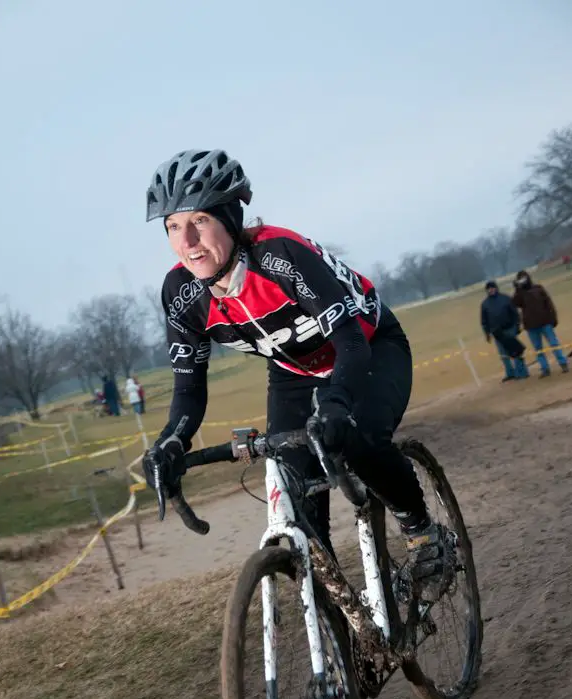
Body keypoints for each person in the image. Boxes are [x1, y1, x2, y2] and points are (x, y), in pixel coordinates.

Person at [142, 148, 452, 587]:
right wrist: (171, 442)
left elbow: (349, 340)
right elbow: (189, 388)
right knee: (294, 487)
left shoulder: (281, 256)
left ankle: (423, 535)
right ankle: (340, 615)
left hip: (368, 346)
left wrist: (336, 404)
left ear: (230, 218)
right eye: (173, 227)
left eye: (199, 222)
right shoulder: (181, 294)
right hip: (292, 373)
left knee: (357, 436)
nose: (186, 242)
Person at [512, 270, 569, 377]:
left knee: (554, 344)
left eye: (524, 278)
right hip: (531, 326)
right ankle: (545, 369)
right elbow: (515, 303)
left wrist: (553, 318)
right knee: (538, 349)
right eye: (520, 279)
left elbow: (549, 304)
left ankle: (563, 363)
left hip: (545, 322)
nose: (523, 280)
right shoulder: (520, 293)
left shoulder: (538, 288)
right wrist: (517, 289)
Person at [480, 281, 529, 382]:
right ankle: (510, 373)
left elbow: (515, 313)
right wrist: (487, 333)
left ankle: (522, 372)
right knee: (504, 355)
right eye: (489, 288)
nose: (491, 290)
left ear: (496, 288)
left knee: (515, 351)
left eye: (492, 288)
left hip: (509, 329)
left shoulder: (506, 298)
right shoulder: (485, 304)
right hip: (496, 333)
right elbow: (484, 321)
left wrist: (517, 326)